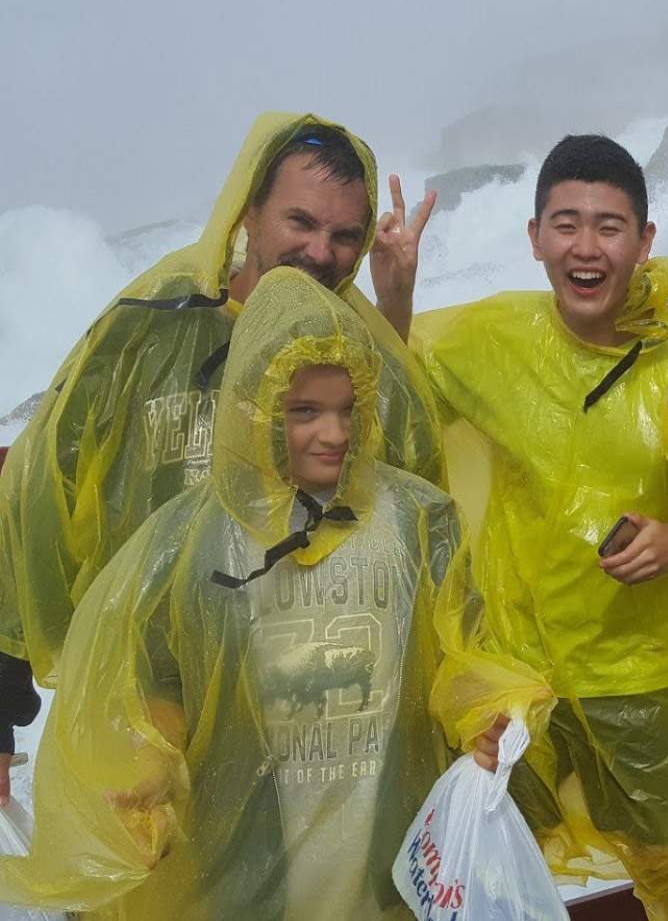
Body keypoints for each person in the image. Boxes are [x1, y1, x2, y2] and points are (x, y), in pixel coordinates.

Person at [0, 267, 550, 921]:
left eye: (349, 409)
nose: (335, 434)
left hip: (382, 852)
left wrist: (490, 715)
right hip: (242, 866)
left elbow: (463, 650)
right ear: (250, 409)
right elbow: (155, 680)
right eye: (305, 412)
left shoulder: (417, 522)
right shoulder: (190, 542)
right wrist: (145, 772)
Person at [0, 112, 444, 791]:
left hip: (313, 733)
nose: (321, 253)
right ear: (249, 213)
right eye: (301, 222)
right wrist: (3, 699)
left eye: (344, 235)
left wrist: (394, 307)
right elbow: (35, 495)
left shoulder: (362, 350)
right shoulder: (147, 329)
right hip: (150, 728)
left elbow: (416, 520)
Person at [397, 135, 668, 921]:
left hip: (636, 679)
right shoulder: (492, 338)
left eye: (609, 227)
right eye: (566, 224)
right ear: (535, 236)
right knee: (485, 867)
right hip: (515, 684)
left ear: (645, 241)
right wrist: (394, 292)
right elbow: (386, 399)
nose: (586, 247)